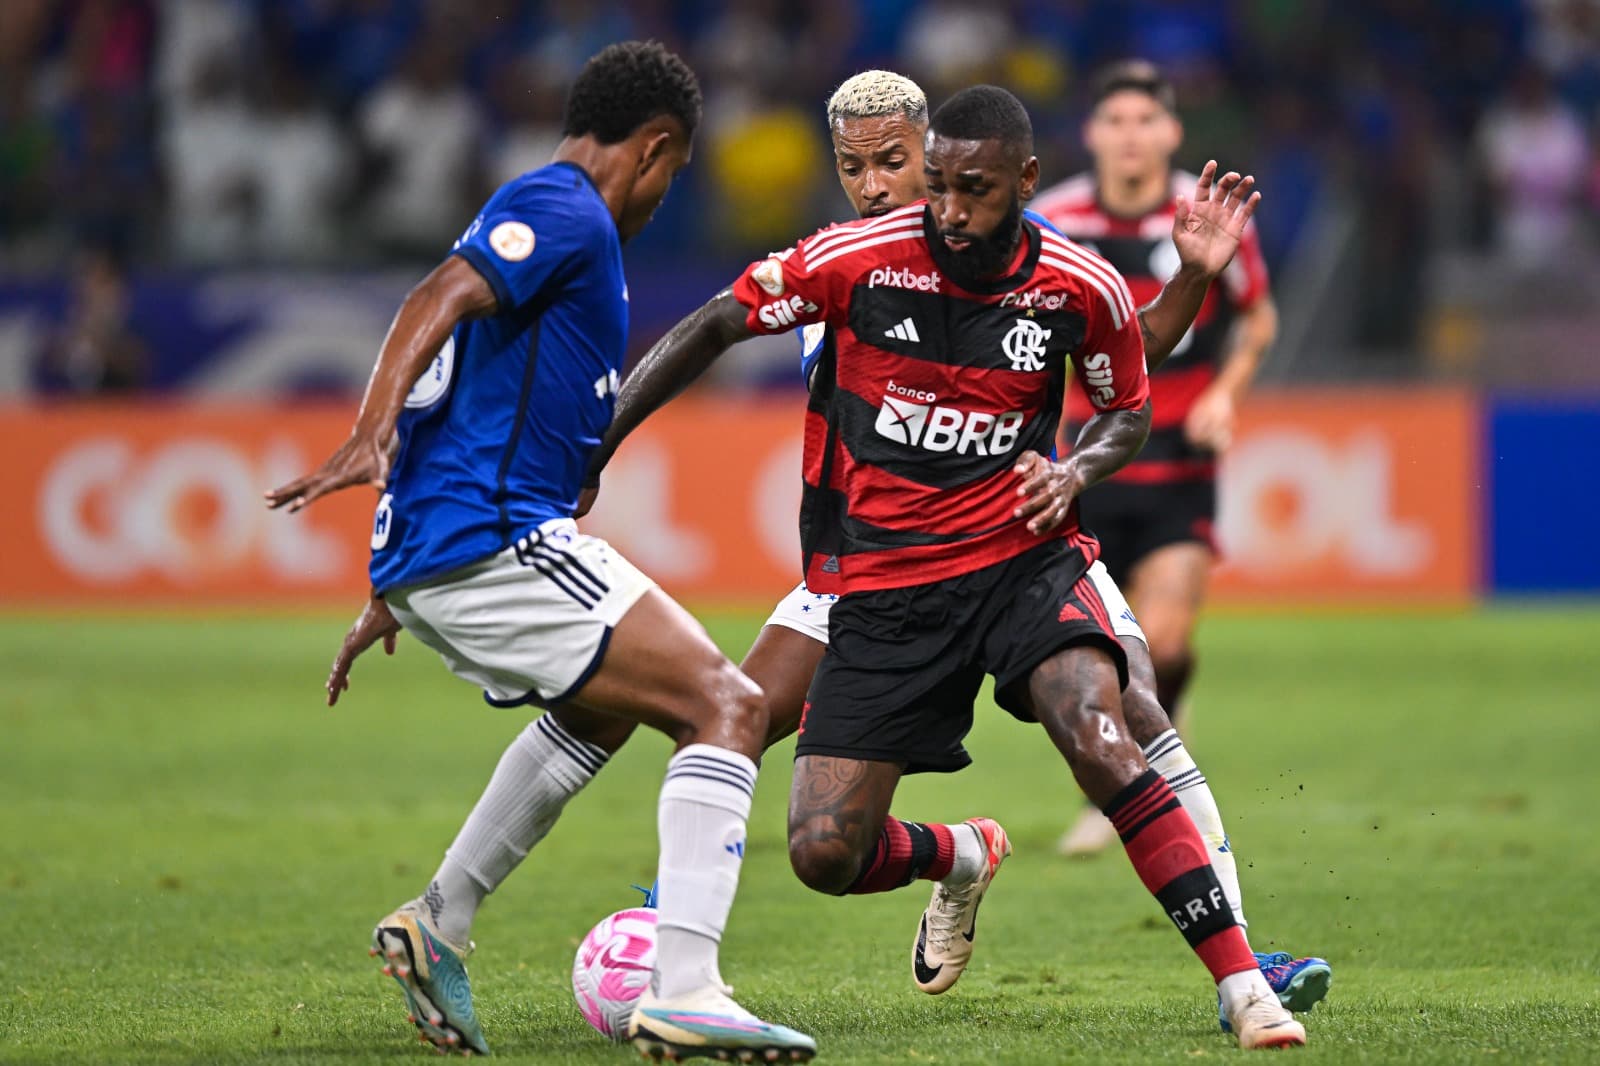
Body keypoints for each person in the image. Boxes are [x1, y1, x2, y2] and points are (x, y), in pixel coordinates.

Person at [329, 70, 1327, 1024]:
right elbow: (715, 325)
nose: (876, 185)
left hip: (1012, 546)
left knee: (1129, 706)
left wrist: (1192, 282)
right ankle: (491, 911)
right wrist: (599, 446)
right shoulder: (845, 258)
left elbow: (1118, 346)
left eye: (893, 161)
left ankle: (1246, 962)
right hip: (865, 570)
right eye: (853, 166)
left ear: (938, 151)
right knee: (701, 717)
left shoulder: (1021, 243)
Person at [264, 42, 815, 1064]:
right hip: (492, 536)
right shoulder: (565, 209)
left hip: (457, 538)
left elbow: (461, 383)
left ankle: (439, 918)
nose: (665, 193)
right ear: (653, 148)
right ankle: (688, 990)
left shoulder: (544, 221)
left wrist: (395, 579)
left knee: (605, 707)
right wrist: (367, 434)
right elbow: (434, 298)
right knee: (727, 705)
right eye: (674, 170)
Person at [1033, 61, 1281, 862]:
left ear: (1172, 132)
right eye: (1116, 121)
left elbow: (1257, 317)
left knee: (1165, 647)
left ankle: (1122, 791)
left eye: (1146, 120)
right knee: (1099, 654)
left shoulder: (1210, 217)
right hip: (1089, 459)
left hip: (1179, 457)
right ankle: (1116, 785)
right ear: (1092, 134)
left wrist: (1227, 394)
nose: (1131, 136)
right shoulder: (1052, 219)